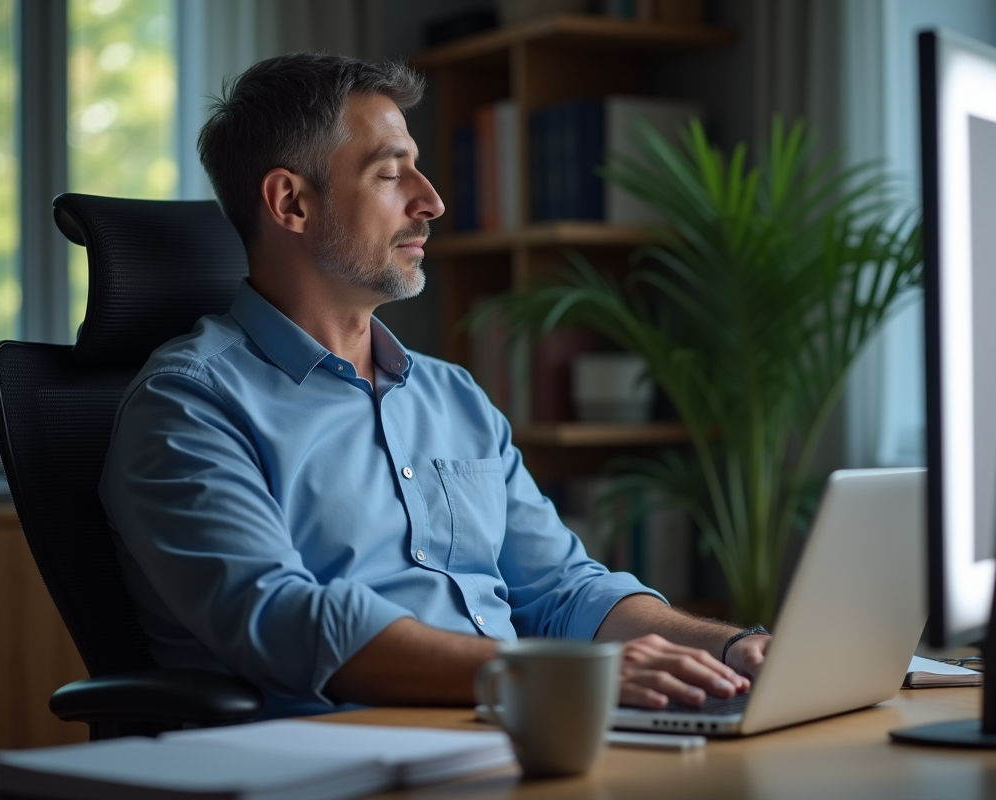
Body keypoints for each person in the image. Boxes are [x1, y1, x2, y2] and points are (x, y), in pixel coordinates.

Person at [99, 52, 771, 718]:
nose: (432, 200)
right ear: (290, 202)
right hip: (339, 762)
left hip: (517, 731)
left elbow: (565, 590)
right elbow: (285, 620)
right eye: (392, 174)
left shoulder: (453, 397)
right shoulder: (188, 405)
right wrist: (561, 674)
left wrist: (736, 649)